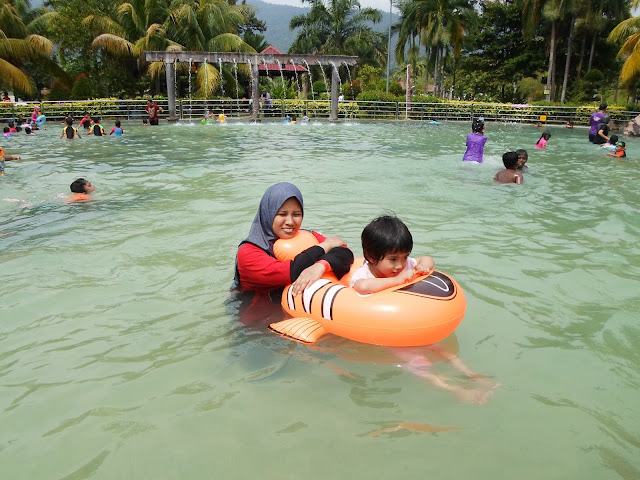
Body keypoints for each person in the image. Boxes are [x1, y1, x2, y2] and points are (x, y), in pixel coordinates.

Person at [232, 182, 354, 297]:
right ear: (267, 214)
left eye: (296, 214)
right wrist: (326, 246)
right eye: (282, 214)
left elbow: (345, 252)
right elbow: (293, 270)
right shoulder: (248, 253)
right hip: (258, 310)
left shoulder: (307, 235)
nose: (290, 222)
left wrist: (321, 266)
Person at [350, 215, 435, 295]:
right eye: (393, 259)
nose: (400, 266)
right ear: (371, 257)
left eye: (405, 257)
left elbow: (427, 259)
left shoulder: (406, 264)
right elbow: (363, 287)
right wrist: (396, 280)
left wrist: (423, 266)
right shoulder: (364, 274)